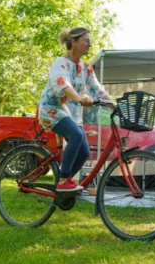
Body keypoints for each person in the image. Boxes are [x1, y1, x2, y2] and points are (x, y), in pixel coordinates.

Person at [38, 27, 113, 192]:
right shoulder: (60, 63)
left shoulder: (86, 67)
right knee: (76, 135)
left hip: (71, 114)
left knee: (84, 152)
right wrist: (79, 98)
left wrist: (113, 104)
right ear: (73, 42)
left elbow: (97, 89)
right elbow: (63, 84)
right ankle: (64, 180)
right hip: (51, 110)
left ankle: (62, 186)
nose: (90, 44)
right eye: (86, 40)